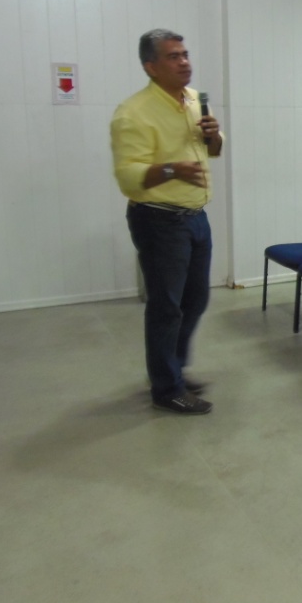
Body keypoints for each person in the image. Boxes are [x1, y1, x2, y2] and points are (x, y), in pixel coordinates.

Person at [110, 29, 223, 415]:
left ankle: (170, 368)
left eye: (186, 54)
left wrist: (214, 136)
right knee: (166, 307)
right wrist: (173, 169)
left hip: (196, 217)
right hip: (159, 221)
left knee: (196, 299)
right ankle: (166, 388)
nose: (185, 62)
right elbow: (128, 176)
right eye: (174, 57)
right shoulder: (132, 113)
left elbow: (216, 149)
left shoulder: (193, 99)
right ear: (151, 67)